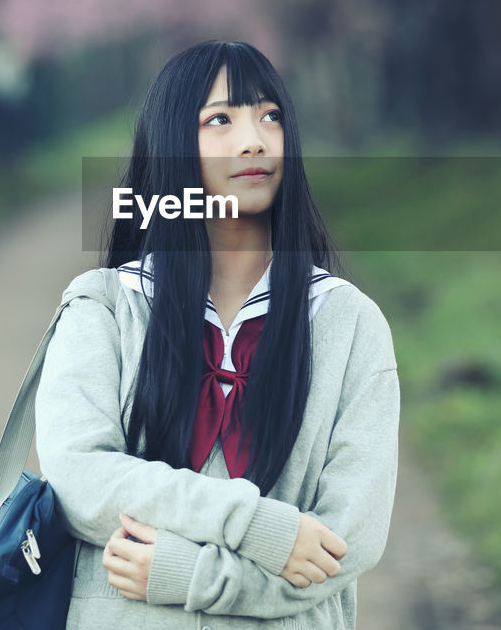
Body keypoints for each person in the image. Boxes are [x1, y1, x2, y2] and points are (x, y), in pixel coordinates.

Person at [35, 40, 400, 629]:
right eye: (220, 120)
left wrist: (196, 577)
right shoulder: (105, 308)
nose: (254, 139)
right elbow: (80, 478)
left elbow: (348, 539)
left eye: (270, 116)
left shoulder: (348, 322)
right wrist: (261, 528)